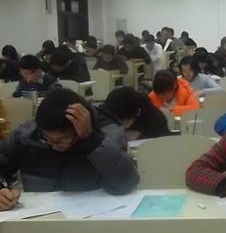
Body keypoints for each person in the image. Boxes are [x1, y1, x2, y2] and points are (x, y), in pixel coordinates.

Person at [0, 89, 139, 207]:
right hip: (38, 214)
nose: (55, 145)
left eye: (63, 139)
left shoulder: (108, 133)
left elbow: (125, 184)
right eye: (47, 139)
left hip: (95, 213)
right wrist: (2, 191)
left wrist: (91, 140)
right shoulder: (26, 135)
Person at [103, 87, 170, 141]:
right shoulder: (105, 111)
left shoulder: (157, 119)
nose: (121, 127)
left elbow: (164, 144)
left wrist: (142, 135)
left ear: (138, 113)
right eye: (116, 122)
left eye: (125, 123)